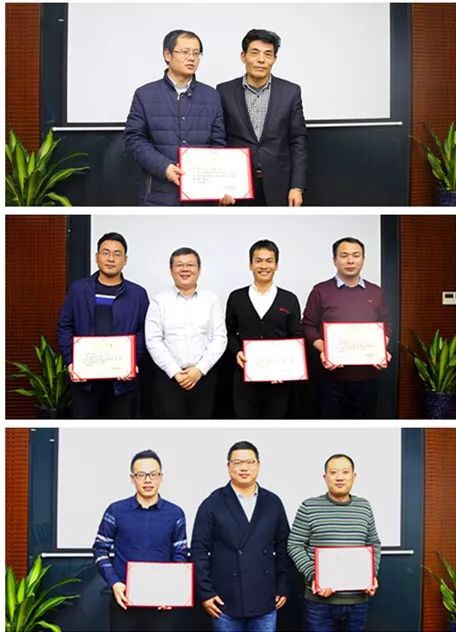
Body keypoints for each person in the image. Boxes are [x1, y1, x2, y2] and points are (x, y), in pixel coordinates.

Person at [192, 441, 290, 632]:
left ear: (258, 465)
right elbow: (199, 549)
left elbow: (283, 546)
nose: (244, 468)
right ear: (228, 466)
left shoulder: (272, 502)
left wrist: (283, 586)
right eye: (237, 462)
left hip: (265, 598)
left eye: (250, 462)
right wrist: (206, 593)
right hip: (225, 601)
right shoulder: (212, 503)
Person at [124, 29, 226, 206]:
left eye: (196, 53)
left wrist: (220, 185)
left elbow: (218, 144)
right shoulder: (145, 94)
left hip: (201, 196)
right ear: (167, 55)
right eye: (185, 52)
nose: (191, 58)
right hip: (157, 194)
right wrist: (164, 167)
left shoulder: (211, 96)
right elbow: (134, 139)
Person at [93, 449, 188, 632]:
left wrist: (172, 591)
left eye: (153, 474)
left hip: (162, 603)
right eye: (141, 475)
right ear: (132, 478)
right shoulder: (115, 510)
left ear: (161, 477)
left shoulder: (175, 513)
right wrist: (114, 583)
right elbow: (100, 549)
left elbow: (180, 554)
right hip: (124, 600)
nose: (147, 480)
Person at [57, 232, 149, 419]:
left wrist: (133, 361)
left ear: (125, 260)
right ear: (97, 257)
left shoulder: (137, 294)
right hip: (85, 381)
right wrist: (71, 362)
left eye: (117, 254)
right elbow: (65, 326)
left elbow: (144, 331)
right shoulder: (78, 289)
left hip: (122, 383)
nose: (111, 259)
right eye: (106, 253)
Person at [287, 453, 381, 632]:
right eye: (333, 472)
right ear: (325, 477)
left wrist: (371, 575)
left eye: (345, 472)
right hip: (319, 604)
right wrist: (315, 576)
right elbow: (294, 544)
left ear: (354, 476)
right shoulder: (309, 506)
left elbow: (373, 543)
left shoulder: (364, 507)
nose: (339, 477)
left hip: (358, 601)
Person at [302, 237, 392, 419]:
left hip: (368, 377)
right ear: (334, 260)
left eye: (356, 255)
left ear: (363, 259)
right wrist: (325, 350)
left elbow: (386, 326)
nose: (350, 261)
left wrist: (380, 349)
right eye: (344, 256)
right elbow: (308, 326)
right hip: (330, 379)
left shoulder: (376, 292)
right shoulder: (320, 291)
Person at [217, 29, 308, 207]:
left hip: (279, 184)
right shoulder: (224, 91)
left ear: (274, 59)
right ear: (243, 56)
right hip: (236, 185)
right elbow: (219, 139)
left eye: (268, 54)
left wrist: (297, 186)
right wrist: (220, 186)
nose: (261, 60)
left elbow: (298, 140)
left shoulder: (290, 92)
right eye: (255, 53)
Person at [145, 247, 227, 418]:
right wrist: (175, 371)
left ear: (199, 270)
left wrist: (200, 369)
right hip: (169, 379)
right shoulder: (159, 301)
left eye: (190, 265)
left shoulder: (211, 300)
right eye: (179, 265)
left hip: (203, 377)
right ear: (171, 270)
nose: (185, 269)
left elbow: (219, 338)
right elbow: (153, 340)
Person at [226, 239, 302, 418]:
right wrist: (236, 352)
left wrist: (287, 369)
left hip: (279, 380)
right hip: (245, 377)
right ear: (250, 264)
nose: (263, 266)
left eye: (269, 261)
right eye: (258, 261)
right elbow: (228, 333)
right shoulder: (236, 297)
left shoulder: (289, 299)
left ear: (276, 265)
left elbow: (296, 336)